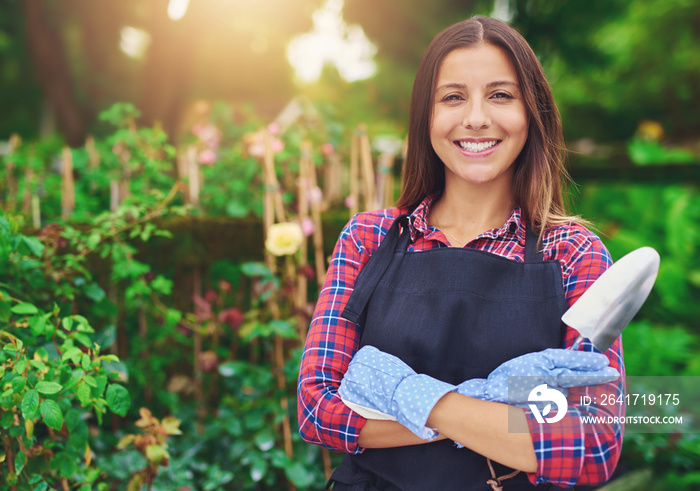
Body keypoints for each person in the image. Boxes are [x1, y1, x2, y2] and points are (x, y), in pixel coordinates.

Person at [298, 15, 625, 490]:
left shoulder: (574, 254)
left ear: (531, 113)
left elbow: (590, 444)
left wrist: (407, 396)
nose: (475, 117)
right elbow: (318, 411)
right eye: (453, 97)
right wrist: (497, 414)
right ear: (425, 117)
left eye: (500, 95)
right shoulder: (368, 239)